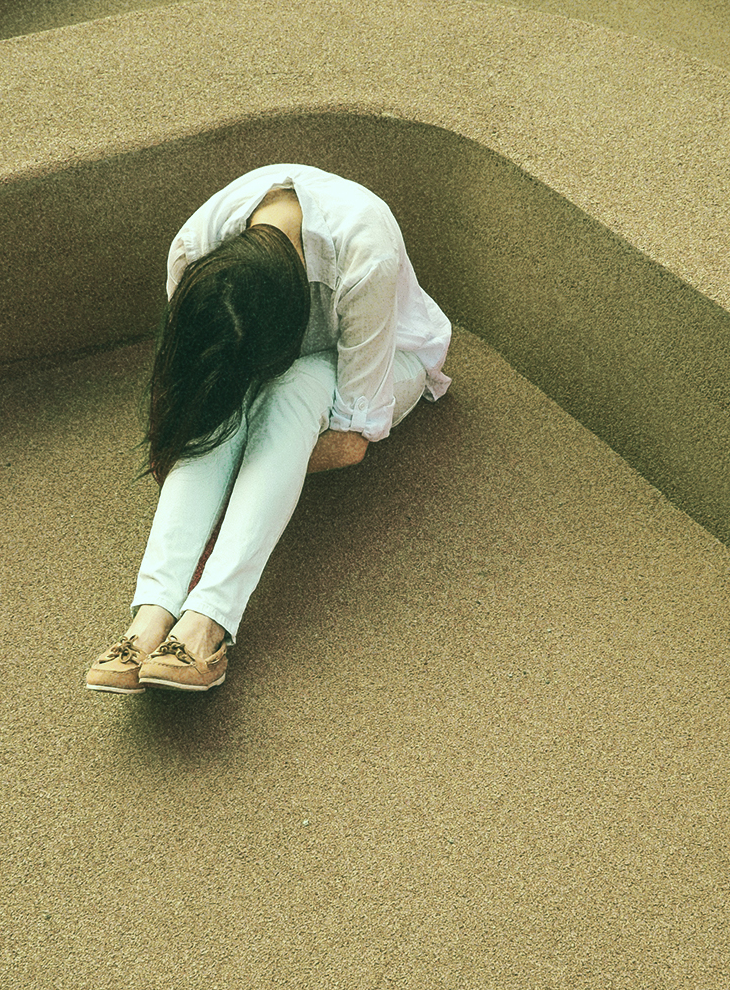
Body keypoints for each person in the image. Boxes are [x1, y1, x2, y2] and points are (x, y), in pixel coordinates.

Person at [84, 164, 453, 694]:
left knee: (293, 387)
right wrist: (213, 435)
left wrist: (243, 472)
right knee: (218, 415)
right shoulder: (196, 249)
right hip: (286, 353)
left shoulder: (363, 251)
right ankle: (149, 620)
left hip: (393, 358)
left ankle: (207, 621)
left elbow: (350, 443)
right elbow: (193, 385)